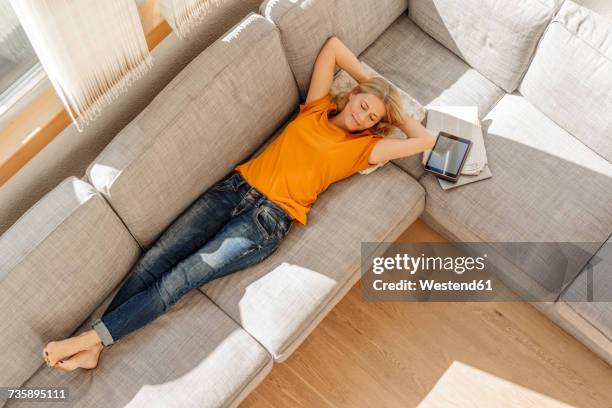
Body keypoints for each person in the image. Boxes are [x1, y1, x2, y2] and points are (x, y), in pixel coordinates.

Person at [42, 36, 435, 371]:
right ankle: (94, 346)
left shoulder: (365, 149)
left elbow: (423, 141)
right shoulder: (316, 108)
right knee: (155, 259)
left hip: (265, 222)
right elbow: (332, 48)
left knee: (180, 279)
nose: (362, 114)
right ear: (351, 95)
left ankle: (94, 338)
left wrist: (391, 106)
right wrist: (374, 84)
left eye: (371, 116)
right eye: (362, 104)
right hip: (232, 189)